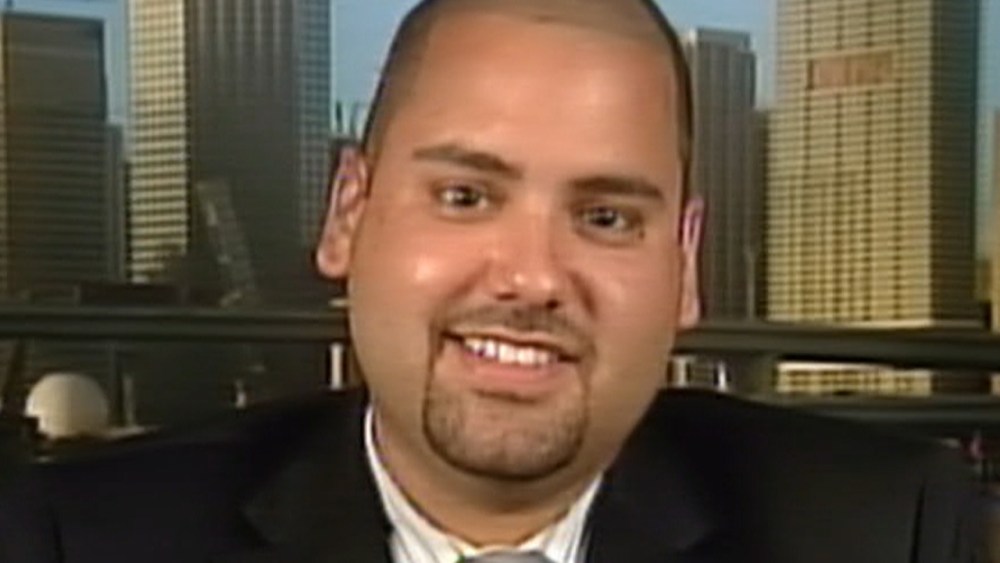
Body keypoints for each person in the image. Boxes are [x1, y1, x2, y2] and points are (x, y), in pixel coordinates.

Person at [0, 0, 983, 561]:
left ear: (684, 265)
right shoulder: (83, 538)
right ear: (348, 214)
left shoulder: (883, 531)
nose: (532, 276)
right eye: (466, 196)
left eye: (606, 217)